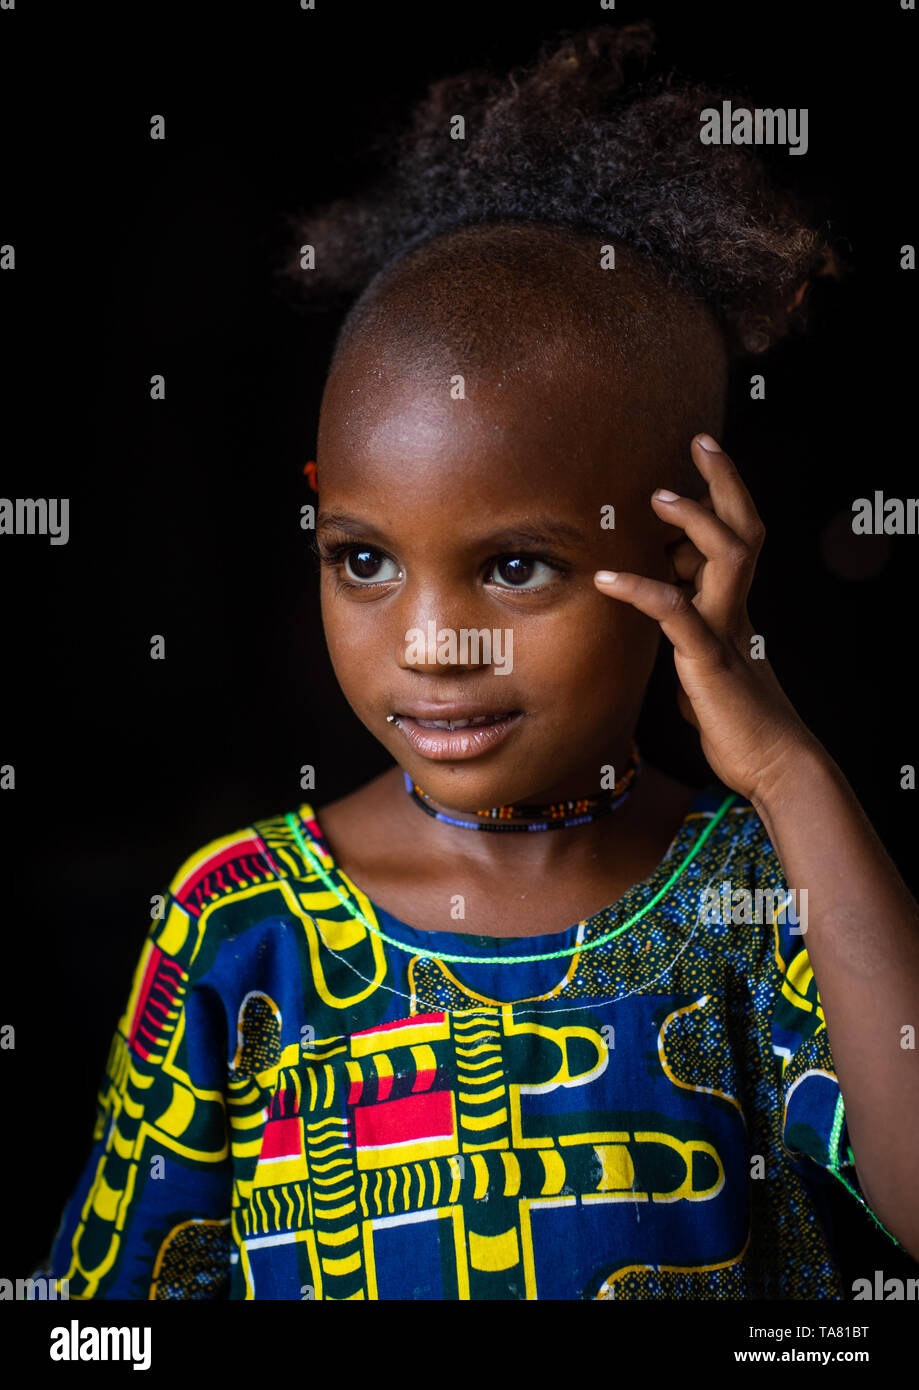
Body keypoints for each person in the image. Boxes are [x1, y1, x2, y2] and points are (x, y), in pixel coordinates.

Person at [36, 21, 919, 1300]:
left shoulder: (758, 897)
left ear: (685, 556)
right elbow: (96, 1322)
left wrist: (782, 767)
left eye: (515, 567)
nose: (429, 644)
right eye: (364, 559)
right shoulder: (235, 929)